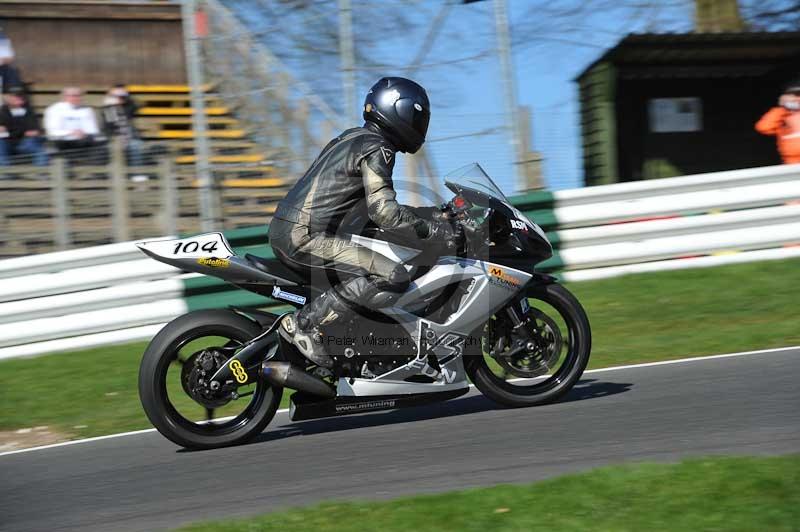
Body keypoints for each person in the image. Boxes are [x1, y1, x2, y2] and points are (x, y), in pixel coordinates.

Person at [269, 77, 462, 367]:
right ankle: (306, 324)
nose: (420, 124)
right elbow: (384, 212)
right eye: (417, 115)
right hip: (306, 236)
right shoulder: (377, 148)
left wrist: (433, 214)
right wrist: (435, 232)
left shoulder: (352, 137)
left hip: (294, 229)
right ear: (399, 110)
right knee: (392, 275)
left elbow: (368, 205)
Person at [44, 86, 103, 162]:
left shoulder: (87, 110)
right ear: (65, 97)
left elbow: (93, 130)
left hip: (83, 140)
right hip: (62, 142)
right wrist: (71, 132)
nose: (77, 98)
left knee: (102, 144)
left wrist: (84, 133)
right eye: (73, 96)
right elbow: (52, 132)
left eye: (79, 96)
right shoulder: (55, 109)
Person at [101, 84, 146, 176]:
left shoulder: (128, 107)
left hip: (129, 138)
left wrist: (127, 94)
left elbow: (138, 104)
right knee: (114, 148)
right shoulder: (109, 109)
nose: (119, 99)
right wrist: (110, 100)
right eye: (117, 96)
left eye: (122, 97)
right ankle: (116, 177)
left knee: (135, 145)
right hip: (114, 139)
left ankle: (137, 175)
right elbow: (109, 127)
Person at [0, 86, 47, 167]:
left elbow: (36, 129)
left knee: (37, 148)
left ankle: (41, 173)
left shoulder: (29, 111)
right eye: (15, 96)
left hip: (25, 143)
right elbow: (3, 130)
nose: (19, 98)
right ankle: (6, 174)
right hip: (7, 143)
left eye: (21, 95)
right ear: (8, 98)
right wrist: (22, 131)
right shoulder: (3, 111)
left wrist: (12, 130)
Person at [755, 81, 800, 164]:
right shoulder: (782, 115)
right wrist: (782, 108)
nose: (796, 99)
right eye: (793, 95)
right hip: (792, 164)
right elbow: (764, 128)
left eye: (798, 95)